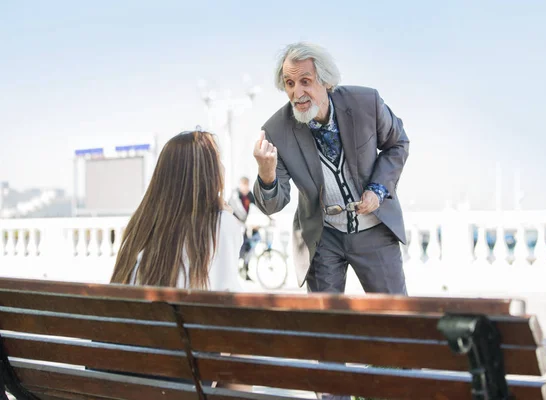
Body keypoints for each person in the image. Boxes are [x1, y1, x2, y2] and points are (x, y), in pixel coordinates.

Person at [253, 42, 410, 295]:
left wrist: (377, 189)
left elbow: (398, 143)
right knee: (324, 323)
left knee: (394, 316)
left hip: (375, 231)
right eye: (290, 84)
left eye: (305, 81)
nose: (297, 92)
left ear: (326, 81)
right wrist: (266, 173)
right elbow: (272, 205)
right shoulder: (275, 131)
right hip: (322, 237)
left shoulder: (365, 102)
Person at [111, 129, 243, 291]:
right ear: (207, 173)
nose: (223, 167)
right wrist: (225, 217)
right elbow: (227, 295)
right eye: (218, 159)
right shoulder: (221, 224)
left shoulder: (141, 228)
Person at [228, 176, 260, 280]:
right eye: (244, 185)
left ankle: (245, 268)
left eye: (247, 185)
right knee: (239, 248)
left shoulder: (250, 196)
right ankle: (236, 269)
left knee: (254, 240)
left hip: (246, 226)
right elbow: (236, 212)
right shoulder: (235, 196)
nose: (246, 187)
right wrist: (246, 224)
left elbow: (258, 208)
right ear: (240, 185)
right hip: (235, 226)